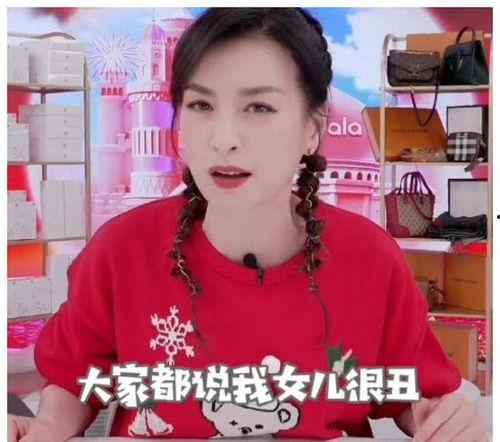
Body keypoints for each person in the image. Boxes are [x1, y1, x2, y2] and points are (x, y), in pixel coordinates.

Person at [8, 7, 488, 441]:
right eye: (201, 106)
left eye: (259, 107)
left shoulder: (370, 257)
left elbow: (411, 395)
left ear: (313, 128)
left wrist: (445, 423)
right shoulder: (122, 248)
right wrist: (45, 427)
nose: (224, 138)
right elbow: (75, 378)